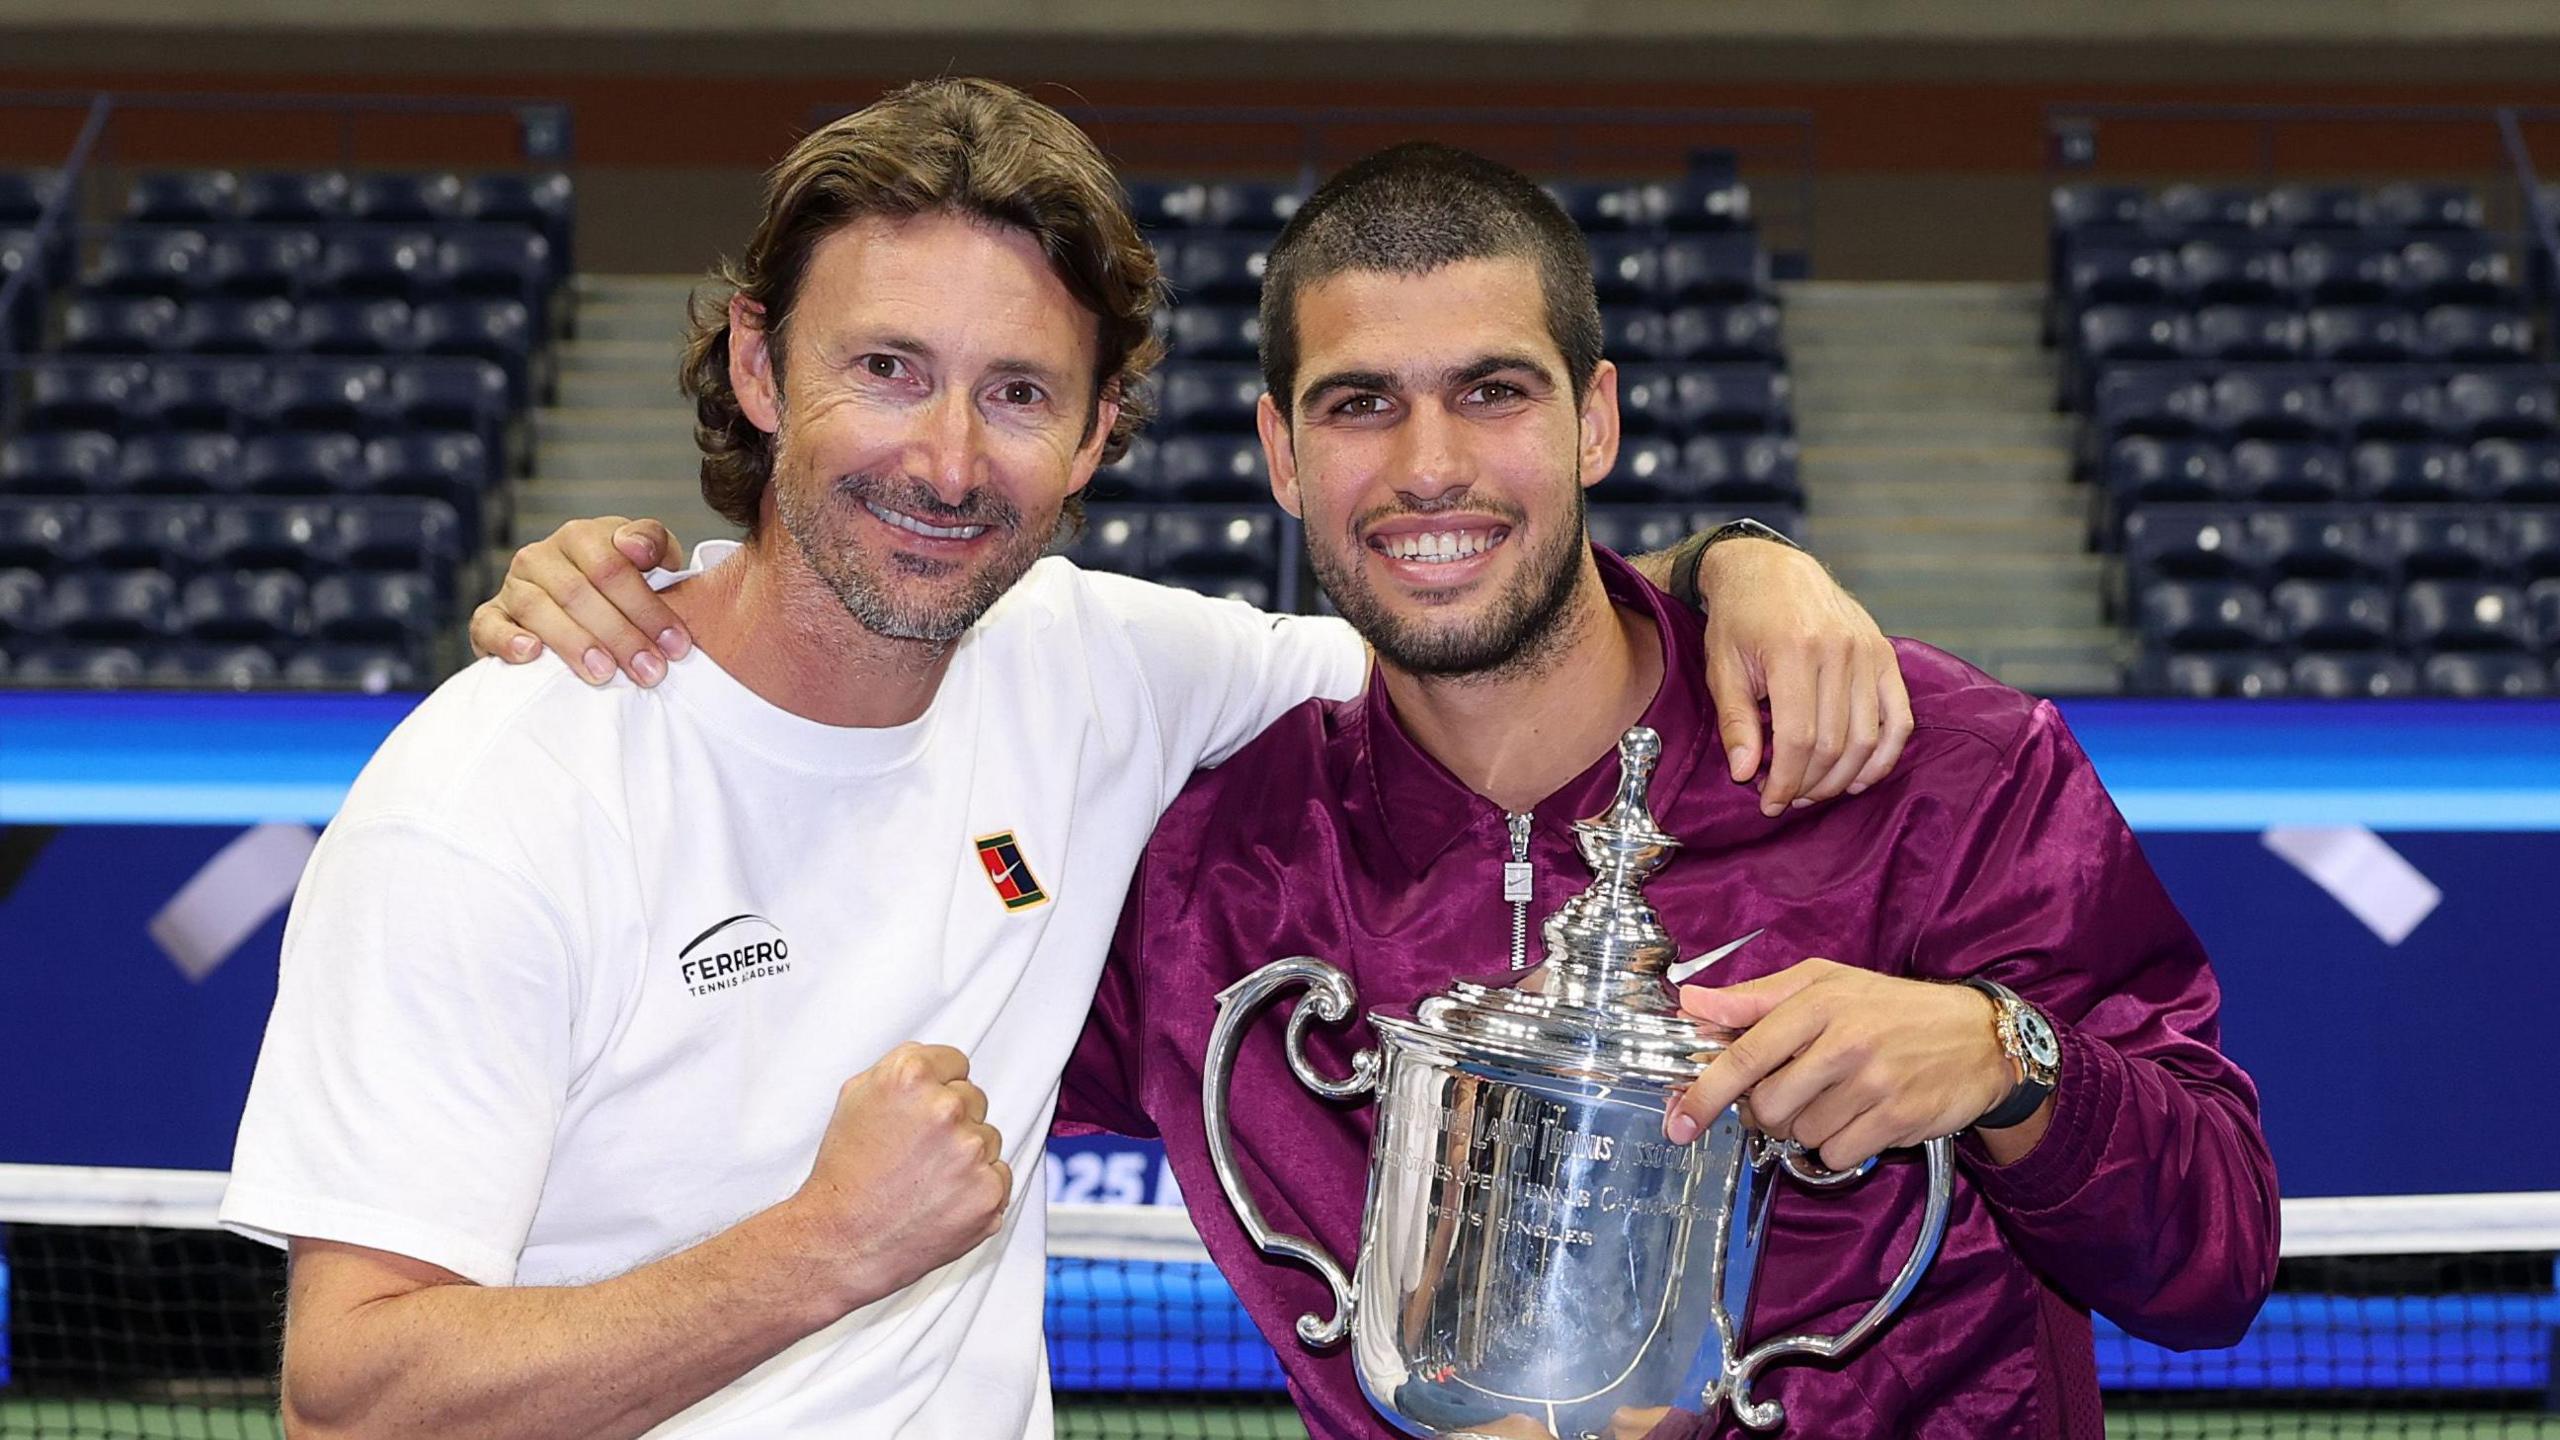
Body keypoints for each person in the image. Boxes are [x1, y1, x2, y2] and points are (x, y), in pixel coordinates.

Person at [228, 81, 1908, 1440]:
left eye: (1020, 392)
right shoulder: (499, 791)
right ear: (760, 366)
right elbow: (351, 1396)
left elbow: (1477, 618)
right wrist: (818, 1254)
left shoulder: (1102, 668)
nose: (947, 459)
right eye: (887, 370)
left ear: (1101, 431)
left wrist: (1736, 563)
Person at [1037, 144, 2281, 1437]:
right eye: (1360, 404)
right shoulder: (1209, 882)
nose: (1428, 466)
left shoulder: (1932, 764)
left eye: (1493, 392)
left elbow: (2219, 1261)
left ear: (1595, 419)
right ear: (1282, 455)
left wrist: (2006, 1061)